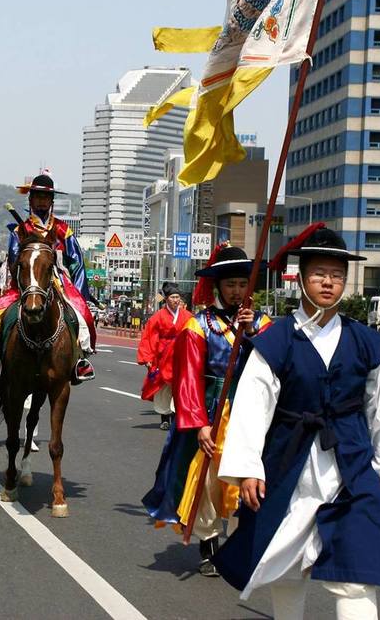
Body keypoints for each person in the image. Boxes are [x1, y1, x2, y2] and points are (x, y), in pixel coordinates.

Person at [213, 225, 380, 619]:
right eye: (319, 274)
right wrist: (248, 468)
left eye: (336, 275)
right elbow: (252, 405)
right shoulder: (276, 340)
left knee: (358, 571)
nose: (328, 283)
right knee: (286, 565)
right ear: (300, 278)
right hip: (288, 464)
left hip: (351, 466)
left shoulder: (365, 341)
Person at [141, 245, 271, 576]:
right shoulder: (198, 326)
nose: (237, 291)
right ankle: (209, 544)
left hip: (254, 415)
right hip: (214, 414)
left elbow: (278, 363)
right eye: (230, 285)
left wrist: (254, 332)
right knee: (210, 481)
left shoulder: (264, 323)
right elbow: (187, 382)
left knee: (252, 479)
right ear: (218, 287)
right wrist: (199, 424)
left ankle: (247, 543)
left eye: (243, 284)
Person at [0, 171, 96, 381]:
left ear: (51, 201)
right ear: (30, 199)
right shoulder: (20, 231)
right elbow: (14, 260)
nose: (41, 201)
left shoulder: (62, 230)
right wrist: (23, 277)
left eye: (46, 197)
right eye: (37, 196)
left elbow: (77, 263)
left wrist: (79, 293)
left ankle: (79, 359)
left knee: (82, 315)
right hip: (25, 282)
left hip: (57, 281)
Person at [137, 282, 194, 430]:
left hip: (181, 355)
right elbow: (149, 337)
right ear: (167, 299)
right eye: (173, 297)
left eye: (177, 297)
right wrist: (148, 358)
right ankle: (165, 418)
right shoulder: (158, 317)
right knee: (163, 388)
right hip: (163, 356)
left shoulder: (188, 316)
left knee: (179, 387)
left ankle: (176, 417)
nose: (176, 300)